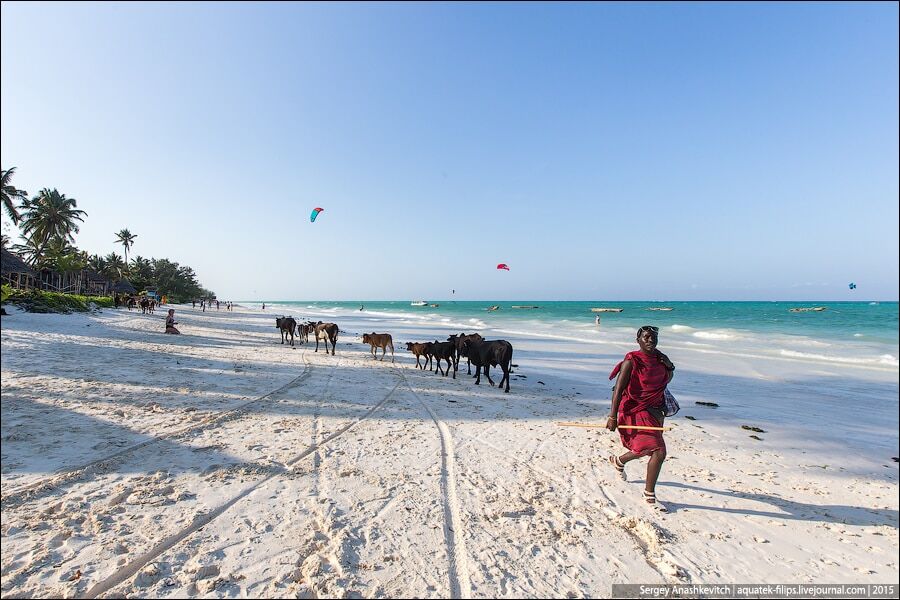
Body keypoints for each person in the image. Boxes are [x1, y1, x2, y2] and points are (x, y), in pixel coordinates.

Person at [606, 325, 675, 512]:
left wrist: (670, 365)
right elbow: (619, 389)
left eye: (653, 338)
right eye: (646, 337)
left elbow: (666, 379)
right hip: (634, 409)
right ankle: (649, 496)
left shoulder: (661, 360)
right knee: (658, 450)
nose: (650, 340)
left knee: (645, 448)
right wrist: (612, 416)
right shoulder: (631, 361)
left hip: (656, 409)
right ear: (638, 340)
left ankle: (619, 461)